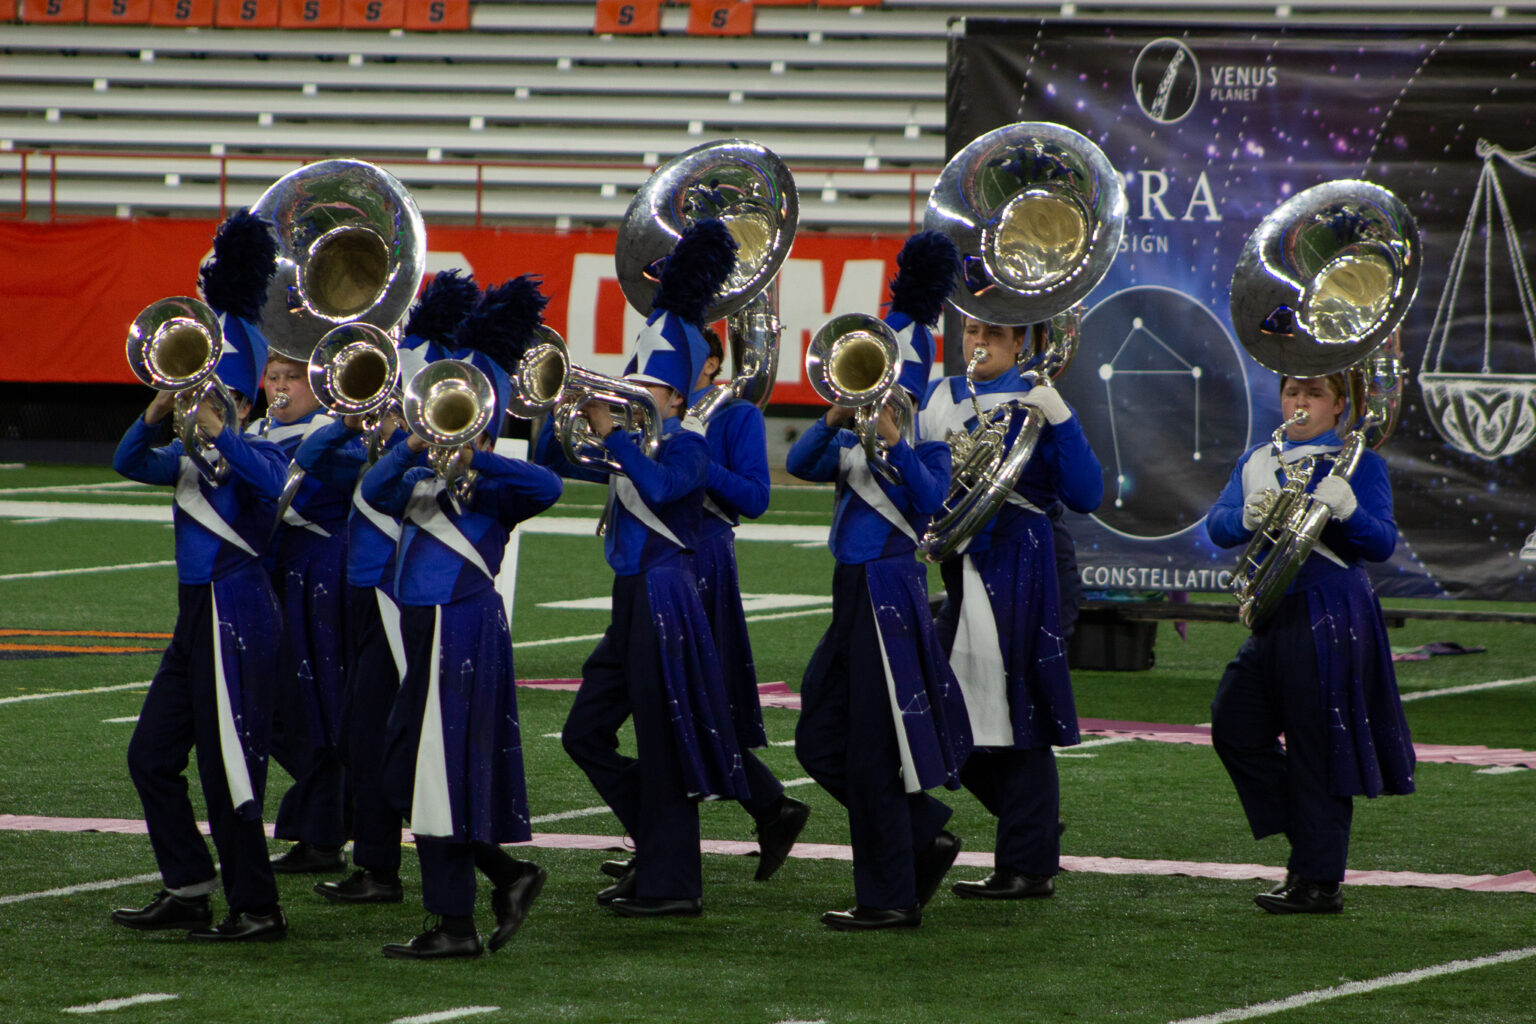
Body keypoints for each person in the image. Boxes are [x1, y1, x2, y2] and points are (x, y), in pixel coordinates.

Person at [535, 220, 749, 919]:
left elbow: (661, 491)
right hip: (632, 598)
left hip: (667, 599)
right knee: (584, 733)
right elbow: (551, 464)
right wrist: (553, 408)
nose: (632, 395)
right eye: (635, 384)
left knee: (661, 746)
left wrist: (619, 433)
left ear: (680, 399)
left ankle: (673, 883)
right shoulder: (634, 439)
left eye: (648, 389)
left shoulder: (684, 444)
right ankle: (655, 847)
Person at [362, 278, 562, 957]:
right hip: (424, 622)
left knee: (433, 774)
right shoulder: (417, 474)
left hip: (460, 624)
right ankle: (506, 874)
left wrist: (476, 456)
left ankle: (455, 923)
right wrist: (414, 444)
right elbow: (374, 490)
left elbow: (550, 486)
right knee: (402, 773)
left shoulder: (496, 487)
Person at [110, 209, 292, 942]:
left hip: (236, 613)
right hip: (197, 617)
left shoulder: (265, 450)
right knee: (151, 756)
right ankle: (188, 884)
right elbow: (126, 462)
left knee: (228, 771)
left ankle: (258, 906)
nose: (199, 401)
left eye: (211, 392)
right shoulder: (188, 456)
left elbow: (271, 484)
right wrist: (157, 413)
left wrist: (222, 429)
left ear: (239, 401)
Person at [786, 231, 973, 931]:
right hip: (851, 587)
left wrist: (893, 437)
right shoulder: (851, 432)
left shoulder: (926, 442)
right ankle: (922, 829)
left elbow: (929, 502)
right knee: (819, 737)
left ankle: (887, 896)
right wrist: (832, 415)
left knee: (870, 750)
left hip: (887, 589)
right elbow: (802, 465)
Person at [299, 270, 483, 906]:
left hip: (394, 585)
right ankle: (377, 861)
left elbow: (419, 492)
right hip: (359, 578)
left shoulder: (452, 379)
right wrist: (355, 426)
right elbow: (318, 462)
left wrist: (402, 444)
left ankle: (400, 867)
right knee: (361, 733)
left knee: (385, 734)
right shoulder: (384, 380)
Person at [1205, 372, 1415, 914]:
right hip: (1274, 611)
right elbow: (1218, 523)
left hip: (1331, 608)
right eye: (1292, 392)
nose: (1299, 402)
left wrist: (1349, 510)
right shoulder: (1259, 459)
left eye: (1314, 393)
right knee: (1234, 723)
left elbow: (1383, 542)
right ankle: (1312, 838)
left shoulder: (1358, 463)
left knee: (1316, 746)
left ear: (1339, 404)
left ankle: (1319, 881)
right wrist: (1244, 514)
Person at [920, 315, 1103, 900]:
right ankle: (1033, 833)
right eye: (972, 332)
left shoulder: (1037, 400)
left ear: (1021, 344)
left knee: (1020, 716)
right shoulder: (942, 395)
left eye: (995, 336)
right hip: (969, 565)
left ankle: (1027, 863)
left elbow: (1086, 493)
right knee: (943, 707)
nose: (979, 344)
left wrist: (1062, 417)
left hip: (1032, 563)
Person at [253, 353, 353, 875]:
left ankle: (324, 832)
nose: (282, 387)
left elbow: (307, 500)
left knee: (316, 703)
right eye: (274, 377)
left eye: (294, 377)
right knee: (278, 708)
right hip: (275, 575)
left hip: (320, 572)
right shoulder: (255, 431)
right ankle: (329, 816)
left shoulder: (332, 435)